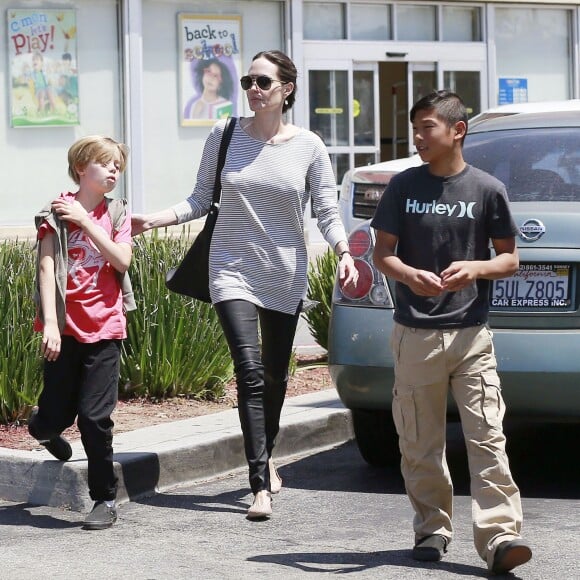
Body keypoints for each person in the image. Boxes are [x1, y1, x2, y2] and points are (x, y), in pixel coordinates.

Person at [132, 49, 358, 519]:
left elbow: (326, 210)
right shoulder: (226, 133)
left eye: (263, 82)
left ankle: (268, 453)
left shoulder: (310, 146)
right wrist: (154, 219)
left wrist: (343, 252)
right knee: (250, 371)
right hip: (230, 266)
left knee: (275, 375)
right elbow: (200, 198)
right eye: (248, 82)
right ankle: (259, 483)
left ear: (286, 89)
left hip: (284, 269)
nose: (253, 90)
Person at [370, 90, 532, 574]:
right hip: (415, 334)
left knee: (488, 436)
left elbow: (510, 259)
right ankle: (432, 529)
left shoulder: (487, 189)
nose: (418, 137)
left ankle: (500, 535)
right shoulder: (403, 186)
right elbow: (382, 253)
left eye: (427, 128)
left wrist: (477, 269)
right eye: (415, 128)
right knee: (420, 441)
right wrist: (407, 274)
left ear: (456, 130)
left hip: (471, 336)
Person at [29, 135, 131, 530]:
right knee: (56, 414)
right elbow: (45, 267)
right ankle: (43, 427)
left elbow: (122, 260)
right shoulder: (54, 213)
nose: (113, 171)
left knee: (94, 418)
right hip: (66, 330)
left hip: (106, 327)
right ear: (80, 170)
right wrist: (52, 324)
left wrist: (87, 222)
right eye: (105, 164)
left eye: (117, 166)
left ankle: (104, 499)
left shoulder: (117, 213)